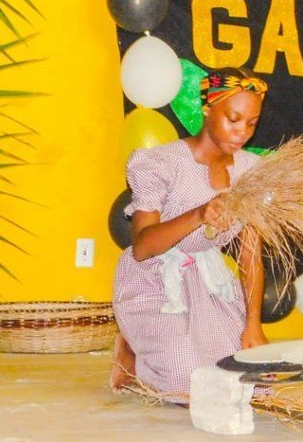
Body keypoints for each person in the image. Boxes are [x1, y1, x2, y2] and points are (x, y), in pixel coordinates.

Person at [110, 68, 270, 399]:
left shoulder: (250, 172)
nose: (242, 132)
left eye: (251, 123)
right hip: (154, 280)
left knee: (253, 384)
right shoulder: (161, 163)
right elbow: (142, 248)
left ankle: (151, 348)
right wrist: (198, 215)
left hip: (208, 284)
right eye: (233, 119)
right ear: (208, 108)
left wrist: (253, 324)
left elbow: (250, 254)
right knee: (191, 383)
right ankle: (132, 349)